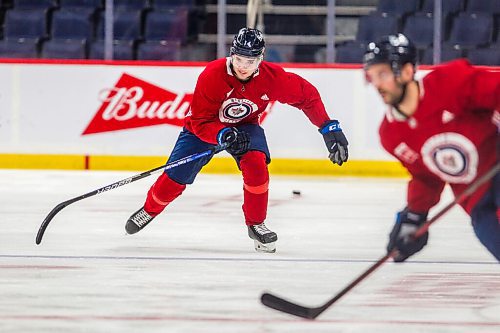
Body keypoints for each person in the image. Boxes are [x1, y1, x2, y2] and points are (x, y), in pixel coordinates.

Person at [125, 28, 349, 253]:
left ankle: (256, 224)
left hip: (245, 126)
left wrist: (327, 127)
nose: (243, 66)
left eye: (250, 61)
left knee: (256, 165)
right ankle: (149, 209)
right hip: (203, 129)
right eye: (239, 59)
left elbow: (307, 96)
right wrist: (222, 134)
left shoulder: (272, 78)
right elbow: (201, 121)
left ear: (260, 59)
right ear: (231, 54)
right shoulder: (212, 75)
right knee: (174, 178)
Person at [363, 33, 499, 262]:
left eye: (383, 74)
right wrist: (415, 215)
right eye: (372, 76)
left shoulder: (448, 82)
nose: (377, 84)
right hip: (476, 202)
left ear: (406, 72)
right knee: (489, 233)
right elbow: (427, 177)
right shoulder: (391, 135)